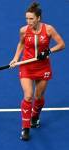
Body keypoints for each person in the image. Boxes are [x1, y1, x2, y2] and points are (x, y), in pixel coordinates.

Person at [9, 2, 64, 141]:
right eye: (27, 19)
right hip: (26, 66)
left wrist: (48, 51)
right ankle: (25, 128)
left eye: (31, 19)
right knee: (28, 96)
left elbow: (62, 44)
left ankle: (35, 116)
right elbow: (21, 43)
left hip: (43, 67)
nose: (28, 22)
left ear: (38, 18)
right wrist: (15, 58)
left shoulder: (49, 29)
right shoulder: (23, 30)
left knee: (38, 97)